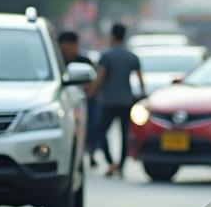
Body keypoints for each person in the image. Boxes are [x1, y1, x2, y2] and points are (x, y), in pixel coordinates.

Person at [94, 23, 145, 176]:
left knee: (101, 131)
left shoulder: (106, 56)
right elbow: (140, 79)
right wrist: (142, 95)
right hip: (126, 101)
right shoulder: (132, 57)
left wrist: (92, 92)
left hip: (109, 101)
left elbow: (100, 78)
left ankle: (111, 163)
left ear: (113, 36)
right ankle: (121, 166)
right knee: (125, 134)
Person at [57, 31, 99, 168]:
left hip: (84, 102)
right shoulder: (58, 62)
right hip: (62, 103)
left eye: (69, 46)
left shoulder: (84, 62)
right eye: (62, 48)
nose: (66, 51)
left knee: (92, 128)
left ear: (75, 45)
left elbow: (92, 82)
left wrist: (85, 95)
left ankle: (91, 153)